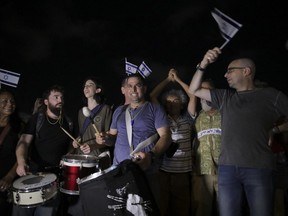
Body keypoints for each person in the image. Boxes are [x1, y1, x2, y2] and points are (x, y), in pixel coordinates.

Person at [189, 47, 288, 216]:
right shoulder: (225, 97)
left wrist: (275, 129)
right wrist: (204, 64)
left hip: (259, 168)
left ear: (246, 71)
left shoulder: (272, 96)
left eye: (230, 71)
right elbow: (194, 90)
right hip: (227, 170)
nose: (225, 75)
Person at [96, 73, 172, 213]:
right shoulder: (119, 111)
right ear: (125, 89)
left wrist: (151, 155)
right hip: (120, 171)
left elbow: (166, 136)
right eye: (130, 86)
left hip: (145, 171)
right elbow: (112, 137)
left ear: (144, 88)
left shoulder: (155, 109)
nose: (134, 89)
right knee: (119, 211)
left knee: (147, 211)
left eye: (137, 85)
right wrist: (105, 139)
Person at [13, 84, 74, 216]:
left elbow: (69, 148)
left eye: (62, 98)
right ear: (46, 102)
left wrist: (69, 155)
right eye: (56, 97)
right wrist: (21, 161)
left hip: (53, 182)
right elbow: (23, 141)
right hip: (31, 176)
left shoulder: (68, 122)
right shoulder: (37, 119)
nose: (60, 100)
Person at [149, 69, 196, 216]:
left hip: (182, 173)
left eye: (176, 101)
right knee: (162, 208)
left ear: (182, 104)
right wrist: (167, 80)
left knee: (181, 210)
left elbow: (193, 94)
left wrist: (178, 80)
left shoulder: (188, 118)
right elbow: (152, 96)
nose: (172, 104)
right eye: (168, 102)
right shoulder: (162, 118)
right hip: (163, 172)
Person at [191, 79, 221, 216]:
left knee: (228, 209)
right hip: (202, 171)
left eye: (207, 90)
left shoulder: (227, 113)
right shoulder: (196, 118)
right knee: (202, 209)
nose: (203, 94)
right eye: (200, 90)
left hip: (226, 171)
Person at [72, 76, 112, 168]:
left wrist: (94, 146)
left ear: (98, 90)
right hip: (82, 156)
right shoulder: (80, 112)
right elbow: (82, 135)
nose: (86, 87)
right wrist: (76, 142)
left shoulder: (105, 109)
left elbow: (108, 136)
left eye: (90, 85)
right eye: (85, 86)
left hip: (99, 156)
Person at [0, 89, 23, 215]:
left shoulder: (19, 127)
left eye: (12, 101)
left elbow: (23, 155)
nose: (9, 104)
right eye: (4, 101)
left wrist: (9, 177)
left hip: (5, 181)